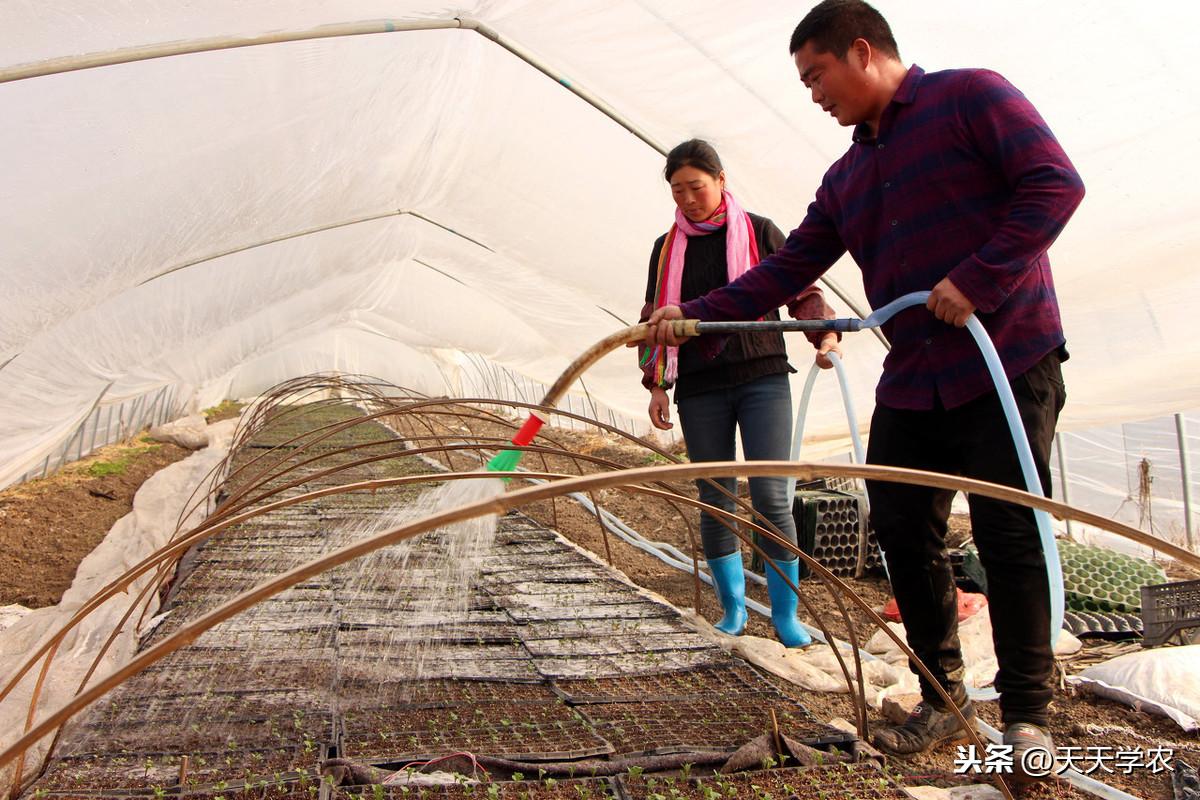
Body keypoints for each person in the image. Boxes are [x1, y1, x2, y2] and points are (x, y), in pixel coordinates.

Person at [643, 1, 1084, 780]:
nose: (813, 94)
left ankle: (1025, 716)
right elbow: (786, 271)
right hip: (916, 377)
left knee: (1008, 532)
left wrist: (977, 280)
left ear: (860, 51)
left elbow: (1054, 185)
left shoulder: (971, 97)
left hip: (1006, 358)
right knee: (903, 530)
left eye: (817, 75)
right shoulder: (848, 176)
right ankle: (942, 700)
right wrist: (696, 316)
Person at [638, 138, 839, 648]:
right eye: (677, 190)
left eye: (696, 187)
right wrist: (658, 385)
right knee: (716, 497)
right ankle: (732, 610)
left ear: (721, 181)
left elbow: (803, 291)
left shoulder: (759, 231)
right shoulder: (666, 251)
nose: (687, 198)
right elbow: (652, 323)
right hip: (701, 387)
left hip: (762, 375)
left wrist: (824, 334)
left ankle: (786, 617)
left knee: (773, 497)